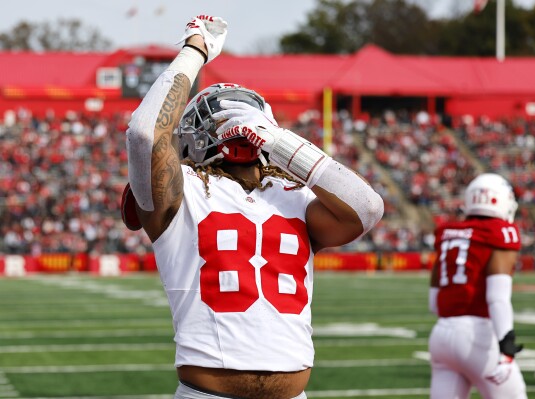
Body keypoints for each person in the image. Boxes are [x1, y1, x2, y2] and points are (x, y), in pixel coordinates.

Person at [120, 14, 384, 399]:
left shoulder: (295, 196)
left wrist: (276, 140)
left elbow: (368, 207)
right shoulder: (184, 191)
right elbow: (144, 133)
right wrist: (196, 50)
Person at [428, 173, 527, 399]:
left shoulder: (447, 233)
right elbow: (497, 298)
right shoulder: (499, 232)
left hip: (441, 335)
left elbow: (434, 302)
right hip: (477, 336)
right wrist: (506, 345)